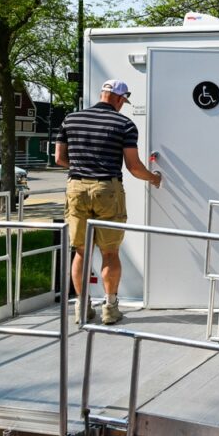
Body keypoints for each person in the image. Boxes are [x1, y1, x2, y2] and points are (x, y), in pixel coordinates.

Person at [55, 79, 162, 325]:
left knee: (81, 251)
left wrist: (84, 168)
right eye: (123, 101)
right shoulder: (124, 124)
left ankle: (82, 308)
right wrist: (154, 178)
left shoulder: (71, 119)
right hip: (107, 189)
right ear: (117, 98)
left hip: (76, 187)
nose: (123, 105)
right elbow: (134, 167)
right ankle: (110, 309)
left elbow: (60, 158)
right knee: (110, 252)